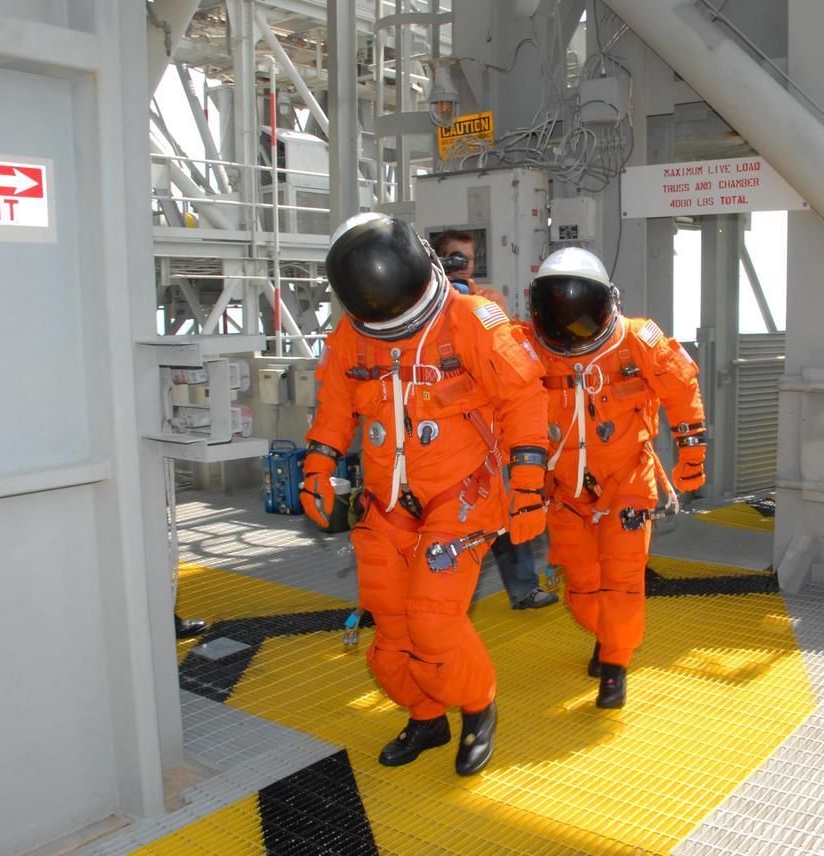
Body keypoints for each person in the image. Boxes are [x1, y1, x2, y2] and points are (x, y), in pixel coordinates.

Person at [300, 213, 549, 776]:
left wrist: (528, 488)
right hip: (386, 501)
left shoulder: (473, 320)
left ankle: (479, 708)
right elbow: (336, 406)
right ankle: (426, 716)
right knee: (390, 640)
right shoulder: (352, 334)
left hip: (460, 496)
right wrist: (319, 464)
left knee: (433, 626)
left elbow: (524, 401)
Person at [525, 247, 706, 709]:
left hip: (628, 482)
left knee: (623, 581)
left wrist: (692, 456)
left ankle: (614, 665)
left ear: (607, 301)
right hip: (566, 492)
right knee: (583, 589)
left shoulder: (637, 341)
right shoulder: (526, 346)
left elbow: (682, 390)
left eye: (578, 307)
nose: (568, 322)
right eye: (557, 308)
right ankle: (606, 637)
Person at [431, 230, 558, 611]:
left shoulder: (486, 302)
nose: (463, 266)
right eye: (455, 258)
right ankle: (448, 605)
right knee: (449, 523)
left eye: (468, 259)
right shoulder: (424, 310)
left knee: (507, 512)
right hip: (443, 435)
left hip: (489, 432)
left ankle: (523, 589)